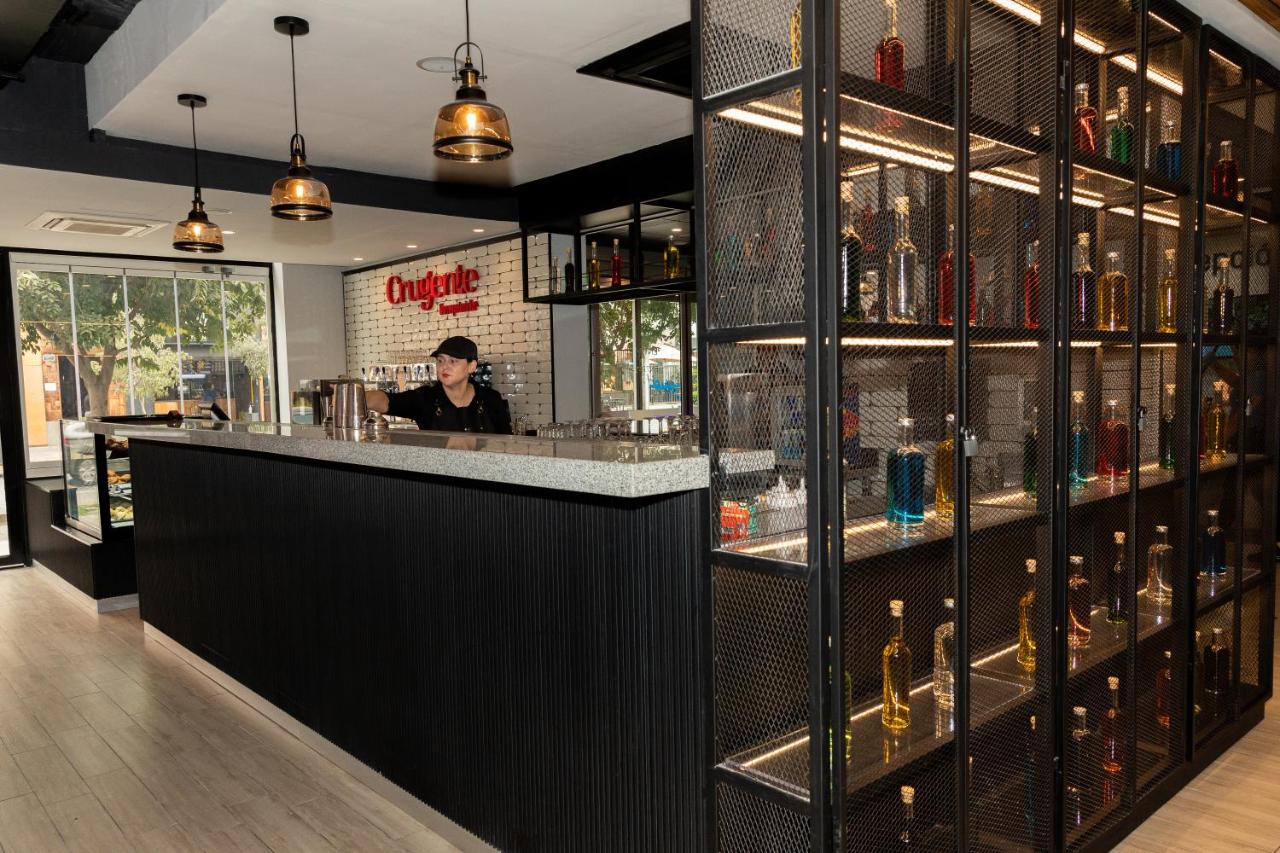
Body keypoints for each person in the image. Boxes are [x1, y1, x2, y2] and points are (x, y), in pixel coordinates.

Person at [366, 336, 511, 434]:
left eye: (453, 361)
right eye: (440, 361)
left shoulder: (491, 399)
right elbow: (387, 401)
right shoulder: (425, 398)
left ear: (471, 366)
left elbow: (506, 443)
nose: (444, 367)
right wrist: (358, 395)